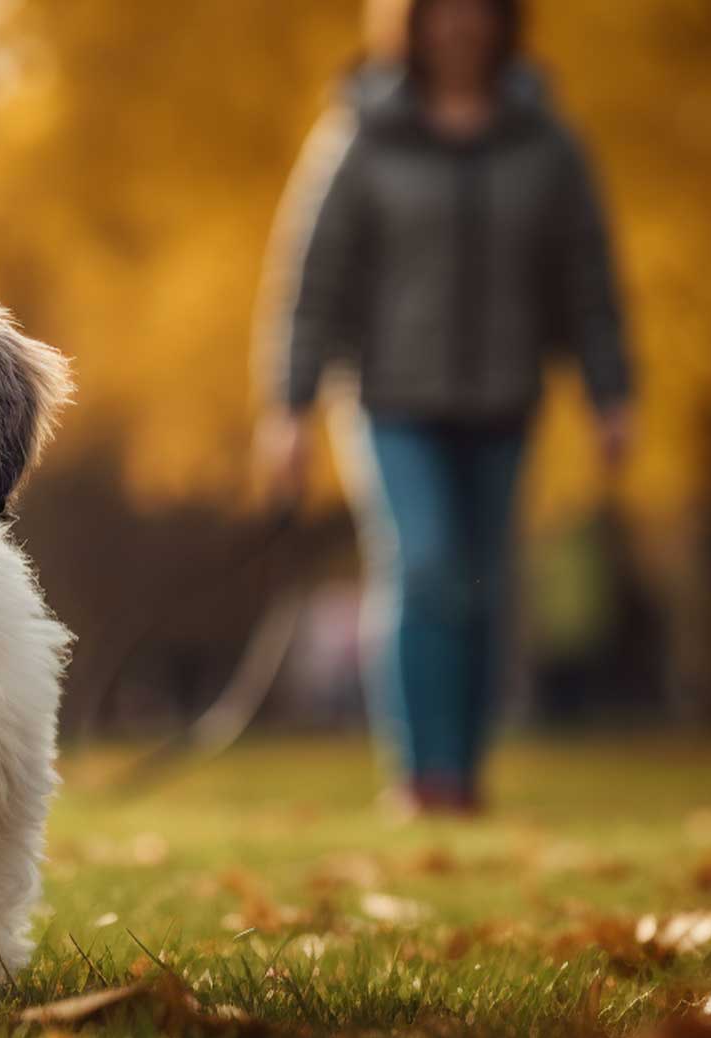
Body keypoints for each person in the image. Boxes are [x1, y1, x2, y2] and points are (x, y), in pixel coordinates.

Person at [258, 0, 634, 817]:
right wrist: (287, 409)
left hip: (505, 397)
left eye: (477, 9)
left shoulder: (546, 140)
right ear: (411, 23)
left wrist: (612, 393)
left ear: (504, 22)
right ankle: (421, 776)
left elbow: (586, 276)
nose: (460, 25)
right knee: (424, 565)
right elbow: (309, 283)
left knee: (486, 583)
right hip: (391, 399)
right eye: (440, 10)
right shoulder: (361, 132)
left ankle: (464, 773)